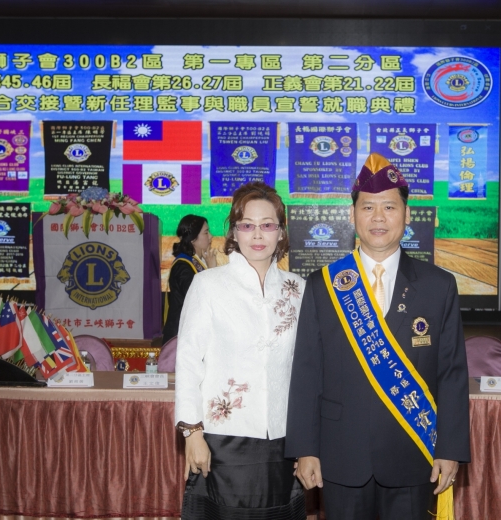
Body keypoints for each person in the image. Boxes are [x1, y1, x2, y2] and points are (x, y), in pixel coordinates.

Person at [285, 153, 470, 520]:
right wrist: (305, 448)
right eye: (368, 207)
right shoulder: (324, 285)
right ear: (352, 215)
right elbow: (307, 371)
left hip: (413, 454)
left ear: (407, 214)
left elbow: (452, 374)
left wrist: (450, 449)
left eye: (389, 206)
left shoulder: (438, 286)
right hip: (341, 456)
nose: (378, 217)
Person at [175, 182, 306, 519]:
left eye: (268, 225)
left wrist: (308, 443)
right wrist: (192, 433)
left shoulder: (298, 290)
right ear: (234, 231)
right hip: (222, 439)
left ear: (281, 232)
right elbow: (188, 361)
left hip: (283, 440)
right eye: (247, 225)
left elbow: (306, 371)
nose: (257, 234)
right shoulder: (208, 285)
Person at [162, 215, 216, 344]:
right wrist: (212, 271)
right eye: (206, 232)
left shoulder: (194, 261)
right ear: (193, 239)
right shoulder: (183, 266)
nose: (211, 236)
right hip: (183, 337)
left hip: (190, 333)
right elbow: (198, 299)